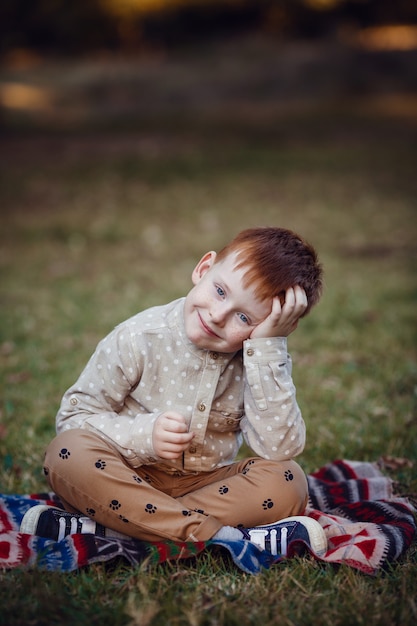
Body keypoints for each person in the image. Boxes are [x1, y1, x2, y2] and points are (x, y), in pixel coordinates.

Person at [21, 226, 327, 557]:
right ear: (203, 269)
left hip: (205, 487)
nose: (218, 315)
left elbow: (280, 448)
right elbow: (73, 418)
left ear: (274, 326)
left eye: (243, 316)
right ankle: (221, 539)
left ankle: (113, 531)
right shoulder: (139, 337)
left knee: (288, 479)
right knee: (66, 452)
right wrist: (144, 436)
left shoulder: (262, 361)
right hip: (119, 478)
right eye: (220, 291)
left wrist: (267, 349)